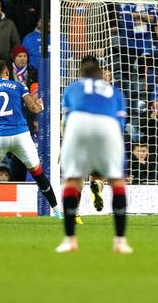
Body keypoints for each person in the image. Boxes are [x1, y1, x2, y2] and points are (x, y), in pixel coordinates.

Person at [55, 56, 131, 253]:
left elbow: (67, 121)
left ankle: (70, 241)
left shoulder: (72, 89)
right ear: (99, 72)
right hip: (108, 125)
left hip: (78, 122)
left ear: (81, 72)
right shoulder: (114, 92)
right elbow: (120, 124)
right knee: (116, 181)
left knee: (72, 180)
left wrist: (65, 147)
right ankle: (120, 242)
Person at [0, 60, 62, 220]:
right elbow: (33, 108)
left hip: (0, 136)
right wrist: (40, 105)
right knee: (38, 173)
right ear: (7, 72)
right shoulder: (19, 86)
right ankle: (57, 210)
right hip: (21, 135)